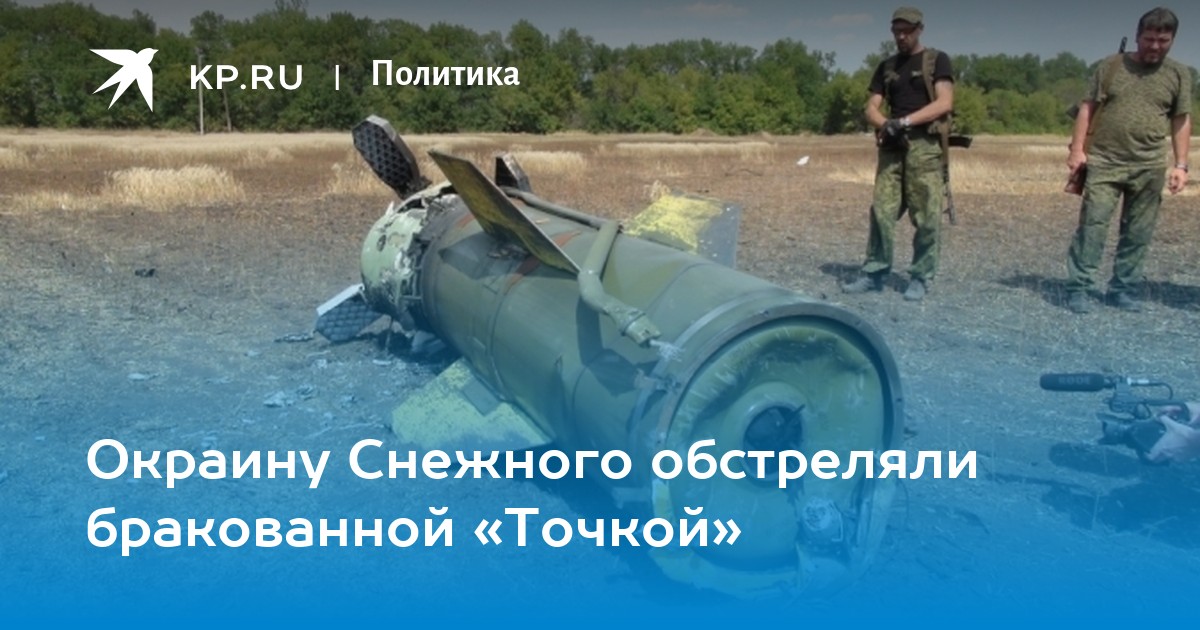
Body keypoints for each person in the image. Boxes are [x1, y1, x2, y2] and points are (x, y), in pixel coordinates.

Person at [1063, 7, 1192, 314]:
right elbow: (1087, 109)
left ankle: (1123, 289)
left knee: (1138, 233)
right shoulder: (1110, 66)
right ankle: (1079, 288)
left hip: (1149, 165)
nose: (1155, 46)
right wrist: (1077, 150)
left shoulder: (1179, 74)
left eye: (1163, 40)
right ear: (1137, 36)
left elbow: (1181, 119)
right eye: (1149, 39)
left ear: (1173, 40)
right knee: (1093, 227)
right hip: (1105, 162)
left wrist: (1181, 165)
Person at [842, 6, 954, 302]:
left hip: (924, 147)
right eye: (896, 31)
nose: (901, 37)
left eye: (907, 31)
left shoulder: (936, 60)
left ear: (919, 30)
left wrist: (903, 122)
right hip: (892, 146)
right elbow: (871, 107)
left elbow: (944, 102)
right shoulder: (887, 66)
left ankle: (920, 277)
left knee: (927, 216)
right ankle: (874, 272)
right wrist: (886, 125)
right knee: (881, 211)